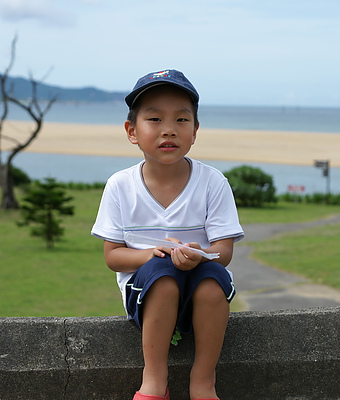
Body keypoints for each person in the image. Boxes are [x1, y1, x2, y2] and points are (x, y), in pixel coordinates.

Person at [91, 69, 244, 400]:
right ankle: (154, 380)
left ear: (195, 130)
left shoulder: (213, 182)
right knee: (162, 274)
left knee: (212, 277)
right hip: (148, 297)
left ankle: (203, 382)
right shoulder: (120, 186)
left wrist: (196, 255)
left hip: (202, 291)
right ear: (132, 131)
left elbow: (224, 250)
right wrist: (152, 254)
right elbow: (113, 256)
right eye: (155, 119)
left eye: (182, 120)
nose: (169, 130)